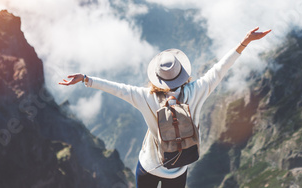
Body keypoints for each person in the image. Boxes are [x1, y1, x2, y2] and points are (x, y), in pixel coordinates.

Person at [59, 27, 271, 188]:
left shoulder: (145, 97)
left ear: (157, 78)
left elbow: (117, 89)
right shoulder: (196, 91)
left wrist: (86, 79)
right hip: (178, 169)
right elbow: (220, 69)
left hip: (149, 166)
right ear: (182, 73)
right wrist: (245, 42)